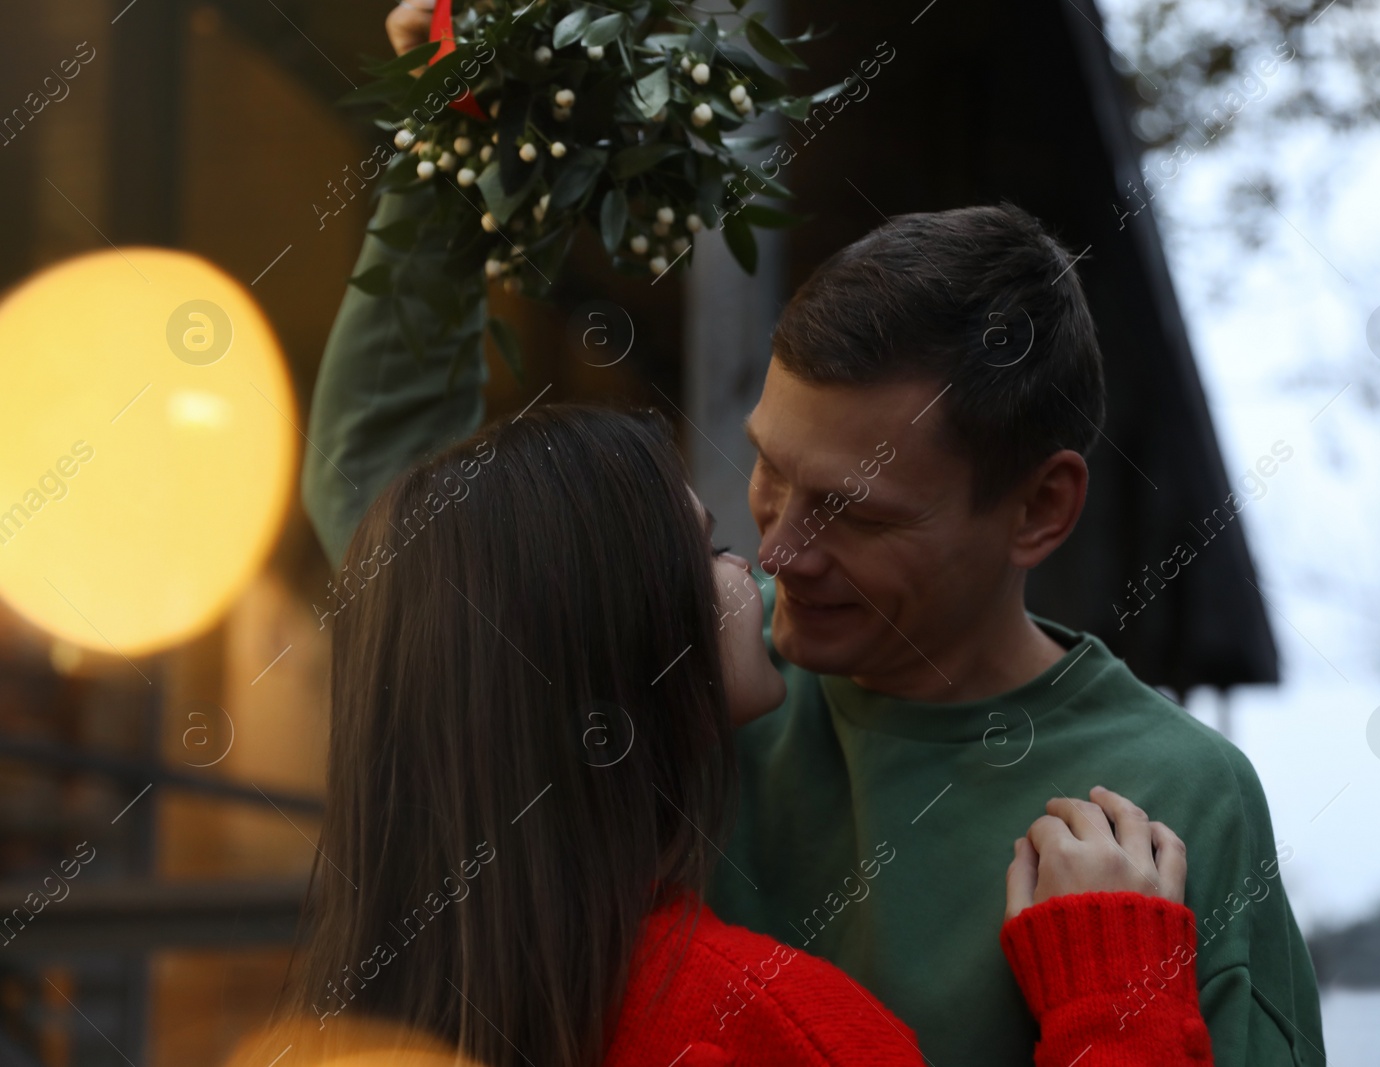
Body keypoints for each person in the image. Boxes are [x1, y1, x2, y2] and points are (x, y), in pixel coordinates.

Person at [298, 7, 1325, 1064]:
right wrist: (460, 115)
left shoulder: (1175, 797)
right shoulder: (688, 681)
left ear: (1040, 510)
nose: (776, 553)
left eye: (854, 511)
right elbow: (401, 518)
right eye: (768, 472)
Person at [245, 404, 1212, 1067]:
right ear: (624, 638)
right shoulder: (768, 1029)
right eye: (708, 547)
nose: (766, 558)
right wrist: (1118, 1005)